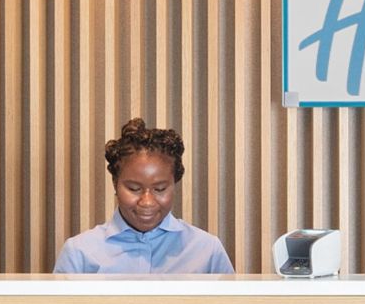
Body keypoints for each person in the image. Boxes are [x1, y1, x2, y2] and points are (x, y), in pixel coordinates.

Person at [54, 116, 236, 275]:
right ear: (115, 184)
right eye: (134, 189)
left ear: (174, 185)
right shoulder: (79, 253)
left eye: (160, 189)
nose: (147, 202)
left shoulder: (207, 250)